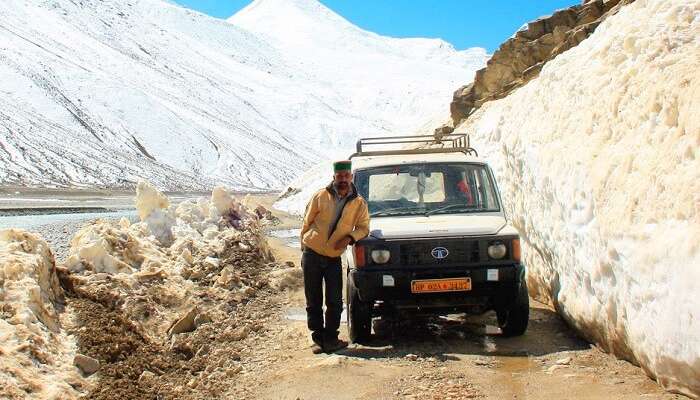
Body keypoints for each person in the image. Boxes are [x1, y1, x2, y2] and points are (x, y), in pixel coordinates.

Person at [300, 160, 370, 354]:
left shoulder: (359, 203)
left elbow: (364, 228)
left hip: (333, 258)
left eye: (347, 176)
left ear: (351, 177)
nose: (343, 180)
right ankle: (318, 339)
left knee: (334, 300)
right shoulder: (320, 196)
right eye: (340, 177)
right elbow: (306, 223)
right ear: (334, 178)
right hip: (312, 253)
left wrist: (350, 237)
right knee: (313, 299)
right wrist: (303, 248)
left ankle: (331, 338)